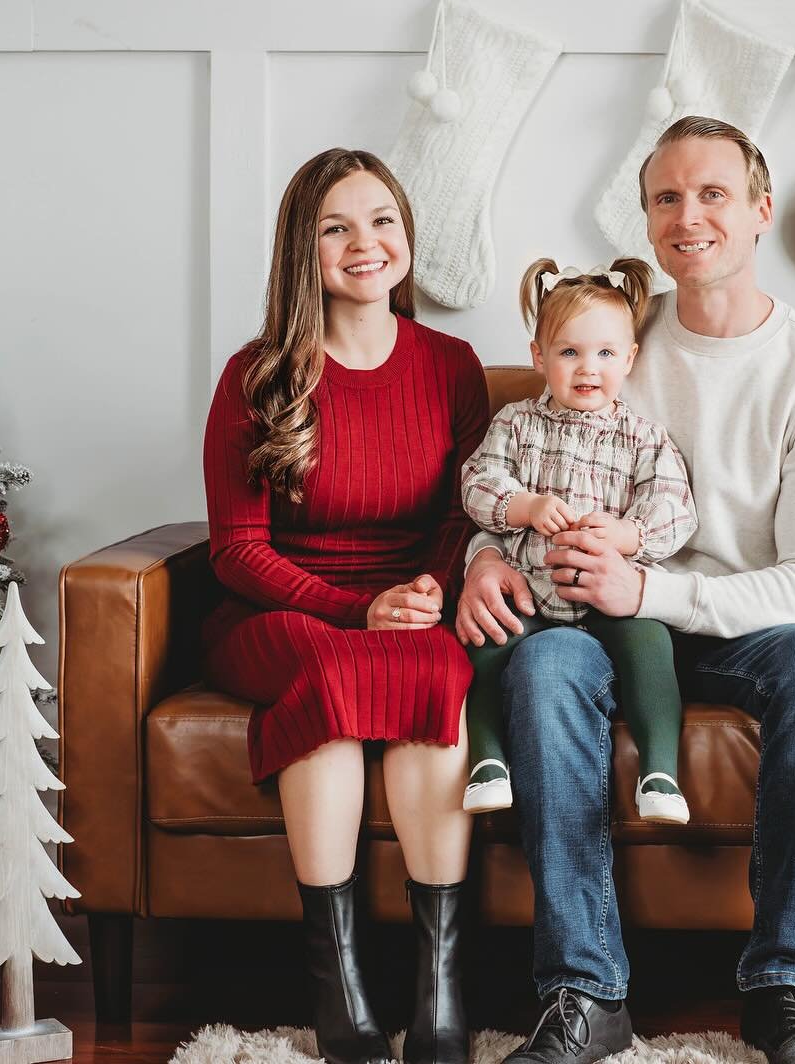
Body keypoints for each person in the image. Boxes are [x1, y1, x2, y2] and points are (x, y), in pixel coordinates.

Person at [457, 116, 795, 1064]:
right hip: (592, 619)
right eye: (666, 198)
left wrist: (650, 589)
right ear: (648, 223)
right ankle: (584, 992)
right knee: (544, 666)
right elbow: (516, 467)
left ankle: (786, 989)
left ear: (762, 211)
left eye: (713, 193)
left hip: (744, 624)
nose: (689, 216)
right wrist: (483, 556)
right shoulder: (605, 347)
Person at [201, 147, 488, 1064]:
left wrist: (429, 592)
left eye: (382, 221)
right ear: (302, 249)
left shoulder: (452, 364)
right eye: (336, 227)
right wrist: (353, 608)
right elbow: (237, 550)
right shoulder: (257, 376)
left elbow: (464, 511)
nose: (365, 244)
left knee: (437, 665)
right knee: (330, 669)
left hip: (412, 612)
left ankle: (440, 994)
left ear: (407, 237)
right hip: (281, 617)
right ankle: (341, 991)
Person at [458, 256, 697, 824]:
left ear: (630, 358)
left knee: (650, 645)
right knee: (486, 641)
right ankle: (487, 760)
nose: (588, 368)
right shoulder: (516, 424)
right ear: (539, 357)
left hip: (611, 597)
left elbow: (675, 508)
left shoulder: (643, 437)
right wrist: (526, 505)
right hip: (531, 594)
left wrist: (629, 533)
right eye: (569, 352)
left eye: (606, 353)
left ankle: (660, 771)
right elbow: (477, 484)